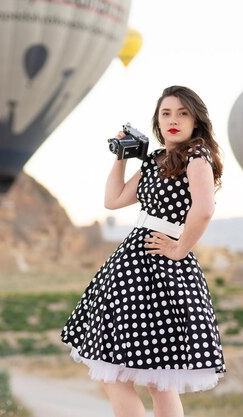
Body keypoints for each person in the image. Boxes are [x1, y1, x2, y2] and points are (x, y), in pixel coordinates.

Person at [60, 85, 226, 417]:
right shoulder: (155, 160)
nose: (173, 120)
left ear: (197, 121)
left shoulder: (197, 156)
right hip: (131, 266)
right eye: (166, 114)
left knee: (150, 379)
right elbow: (114, 199)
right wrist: (121, 157)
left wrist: (180, 249)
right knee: (150, 379)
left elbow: (204, 209)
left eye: (182, 113)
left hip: (163, 269)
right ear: (157, 121)